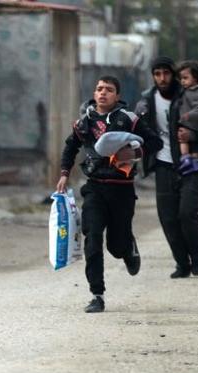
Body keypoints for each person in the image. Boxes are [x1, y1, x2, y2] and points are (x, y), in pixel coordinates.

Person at [56, 76, 161, 313]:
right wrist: (64, 173)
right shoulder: (83, 123)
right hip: (94, 188)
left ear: (117, 95)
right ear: (94, 94)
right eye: (99, 89)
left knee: (115, 246)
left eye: (109, 90)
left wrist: (134, 153)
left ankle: (128, 248)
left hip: (121, 189)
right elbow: (70, 147)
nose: (103, 93)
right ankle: (97, 294)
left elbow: (155, 142)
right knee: (92, 238)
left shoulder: (129, 120)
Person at [135, 57, 198, 279]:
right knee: (168, 218)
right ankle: (182, 263)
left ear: (173, 74)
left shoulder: (187, 94)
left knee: (187, 212)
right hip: (163, 166)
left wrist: (193, 134)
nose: (162, 78)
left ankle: (197, 255)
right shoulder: (147, 100)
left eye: (166, 73)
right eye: (157, 74)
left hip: (191, 162)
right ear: (153, 76)